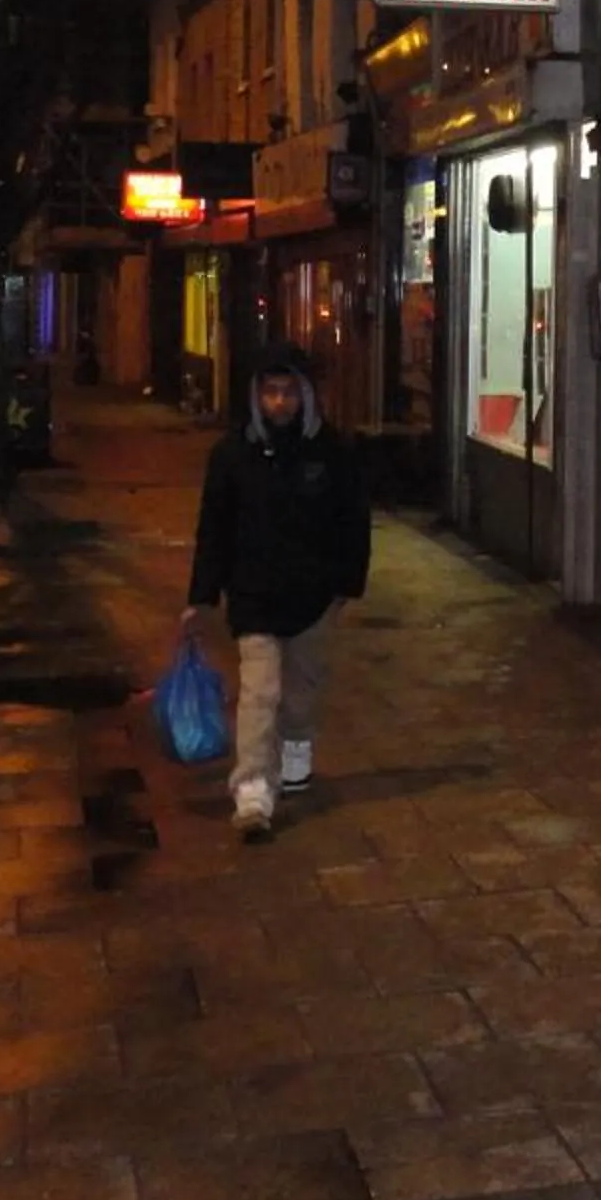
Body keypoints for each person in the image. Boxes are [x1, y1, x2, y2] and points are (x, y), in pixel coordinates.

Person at [182, 341, 371, 840]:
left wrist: (347, 584)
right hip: (254, 594)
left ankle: (297, 750)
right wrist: (202, 596)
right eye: (271, 392)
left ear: (306, 396)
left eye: (289, 392)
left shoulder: (331, 453)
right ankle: (252, 792)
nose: (280, 403)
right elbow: (213, 528)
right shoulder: (232, 455)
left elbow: (354, 521)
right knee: (259, 693)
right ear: (257, 396)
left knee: (302, 690)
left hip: (312, 596)